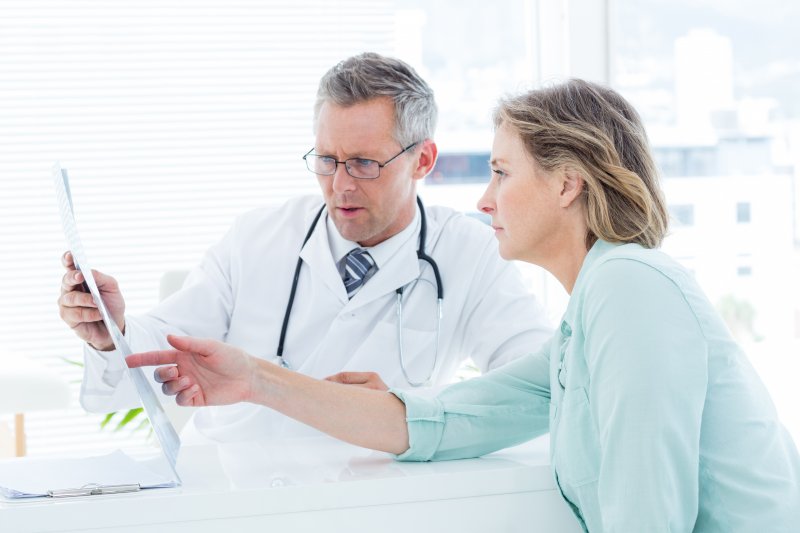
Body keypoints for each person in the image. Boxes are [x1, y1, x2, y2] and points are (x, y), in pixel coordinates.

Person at [127, 79, 800, 531]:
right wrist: (254, 378)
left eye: (502, 172)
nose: (483, 201)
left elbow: (645, 517)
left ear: (568, 184)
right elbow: (447, 420)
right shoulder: (587, 320)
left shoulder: (631, 289)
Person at [57, 52, 552, 442]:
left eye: (363, 163)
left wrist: (409, 409)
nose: (340, 185)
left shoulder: (471, 254)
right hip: (237, 489)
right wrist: (112, 331)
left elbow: (535, 386)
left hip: (373, 502)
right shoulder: (258, 236)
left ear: (422, 160)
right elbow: (169, 343)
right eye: (326, 159)